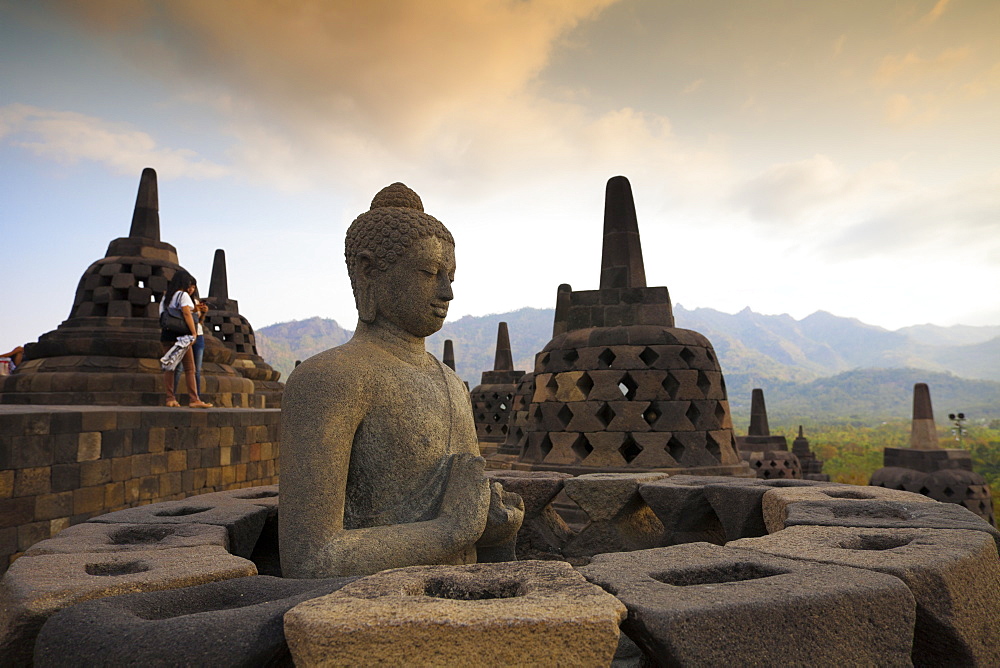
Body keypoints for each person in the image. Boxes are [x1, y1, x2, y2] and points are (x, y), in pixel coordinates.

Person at [279, 183, 522, 578]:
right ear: (368, 270)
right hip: (372, 613)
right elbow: (310, 558)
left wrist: (489, 523)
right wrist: (450, 531)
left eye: (451, 276)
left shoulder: (452, 384)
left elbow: (466, 504)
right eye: (429, 273)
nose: (447, 292)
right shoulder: (328, 380)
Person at [160, 270, 213, 409]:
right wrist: (194, 333)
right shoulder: (182, 295)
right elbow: (186, 314)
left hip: (167, 334)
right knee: (190, 368)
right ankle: (194, 399)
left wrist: (195, 310)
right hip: (182, 336)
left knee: (170, 367)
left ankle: (170, 398)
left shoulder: (166, 297)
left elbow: (167, 314)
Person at [173, 287, 208, 400]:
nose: (191, 289)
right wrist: (193, 310)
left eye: (193, 287)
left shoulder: (196, 302)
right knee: (179, 368)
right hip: (185, 335)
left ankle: (196, 398)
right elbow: (183, 315)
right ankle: (172, 396)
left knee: (197, 370)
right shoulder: (179, 299)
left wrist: (203, 313)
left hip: (199, 336)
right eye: (189, 286)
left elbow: (199, 322)